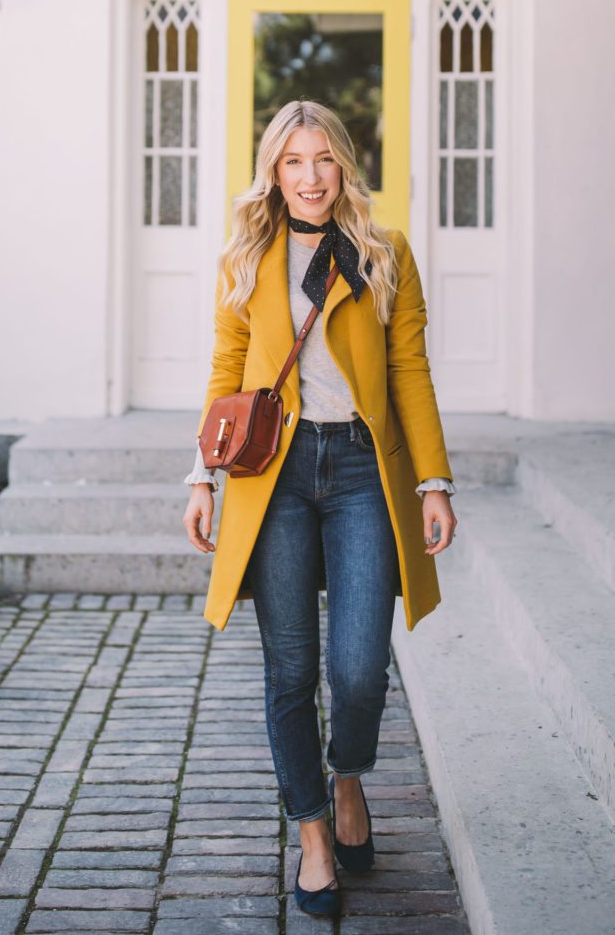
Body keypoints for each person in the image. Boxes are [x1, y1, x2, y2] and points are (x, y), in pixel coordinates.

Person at [182, 99, 458, 916]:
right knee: (292, 670)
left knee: (359, 670)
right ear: (274, 170)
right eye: (294, 161)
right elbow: (227, 370)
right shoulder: (249, 255)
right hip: (275, 476)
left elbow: (410, 371)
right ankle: (313, 837)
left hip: (363, 471)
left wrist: (433, 482)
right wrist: (200, 476)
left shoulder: (383, 254)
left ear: (344, 166)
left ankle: (349, 777)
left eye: (324, 160)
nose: (309, 177)